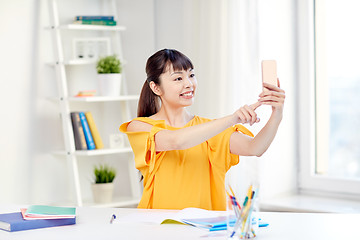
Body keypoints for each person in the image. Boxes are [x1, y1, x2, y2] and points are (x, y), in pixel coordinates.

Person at [119, 49, 285, 210]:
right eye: (178, 79)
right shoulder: (140, 127)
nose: (189, 84)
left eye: (191, 75)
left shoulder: (211, 129)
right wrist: (233, 118)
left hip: (206, 228)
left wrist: (277, 114)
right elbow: (176, 141)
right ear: (156, 88)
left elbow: (255, 147)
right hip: (159, 227)